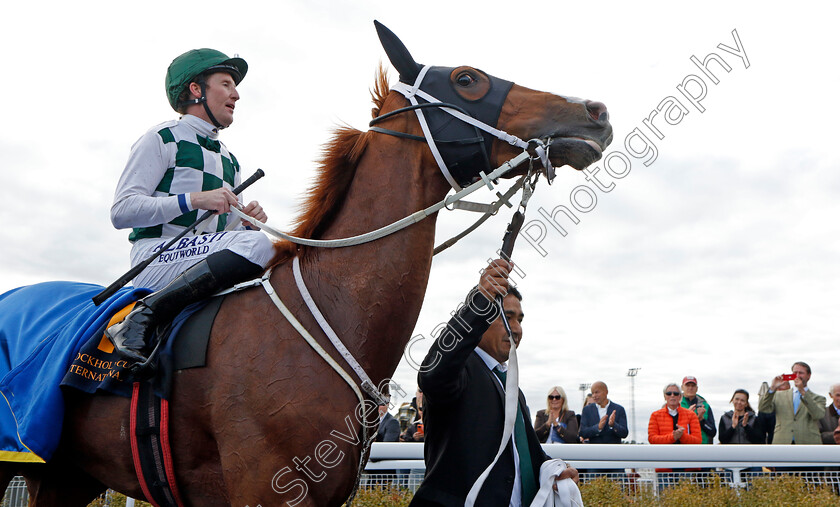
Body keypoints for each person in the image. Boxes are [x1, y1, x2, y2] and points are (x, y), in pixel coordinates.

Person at [104, 49, 276, 364]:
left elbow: (216, 231)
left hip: (195, 257)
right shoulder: (161, 137)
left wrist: (244, 222)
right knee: (258, 245)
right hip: (154, 257)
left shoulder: (229, 159)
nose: (236, 95)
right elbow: (122, 211)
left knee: (267, 246)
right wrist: (195, 198)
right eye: (225, 84)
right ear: (196, 90)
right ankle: (142, 315)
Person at [411, 259, 577, 507]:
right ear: (482, 319)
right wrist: (478, 303)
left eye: (520, 319)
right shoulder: (460, 371)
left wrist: (555, 469)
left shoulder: (513, 389)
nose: (517, 329)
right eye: (507, 317)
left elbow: (525, 454)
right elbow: (433, 371)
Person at [757, 361, 826, 444]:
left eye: (801, 373)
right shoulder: (778, 395)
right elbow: (762, 408)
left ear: (809, 376)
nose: (797, 376)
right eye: (795, 373)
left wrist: (803, 392)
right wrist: (772, 388)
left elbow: (818, 415)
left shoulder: (818, 398)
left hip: (808, 442)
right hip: (782, 441)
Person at [680, 376, 716, 444]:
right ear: (682, 387)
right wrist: (687, 417)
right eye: (687, 385)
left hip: (702, 448)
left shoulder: (705, 406)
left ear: (697, 388)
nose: (690, 388)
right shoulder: (676, 404)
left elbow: (712, 432)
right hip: (683, 447)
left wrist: (702, 420)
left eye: (693, 386)